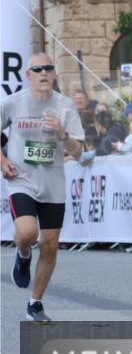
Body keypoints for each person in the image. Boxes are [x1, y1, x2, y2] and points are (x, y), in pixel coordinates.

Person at [1, 54, 84, 323]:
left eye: (49, 68)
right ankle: (23, 253)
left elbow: (79, 152)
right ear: (29, 75)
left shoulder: (65, 105)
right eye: (38, 69)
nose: (44, 72)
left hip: (53, 184)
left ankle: (35, 303)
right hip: (21, 180)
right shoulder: (13, 103)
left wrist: (62, 134)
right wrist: (2, 160)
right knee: (26, 233)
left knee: (49, 245)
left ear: (55, 74)